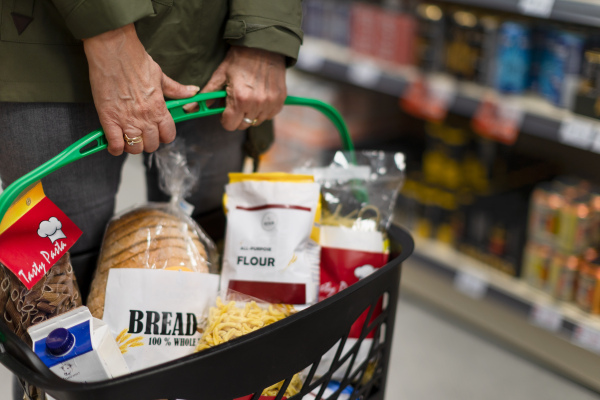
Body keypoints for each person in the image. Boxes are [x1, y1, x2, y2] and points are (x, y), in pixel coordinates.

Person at [0, 0, 303, 296]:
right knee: (52, 278)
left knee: (210, 248)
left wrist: (266, 32)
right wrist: (110, 35)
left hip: (213, 46)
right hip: (49, 43)